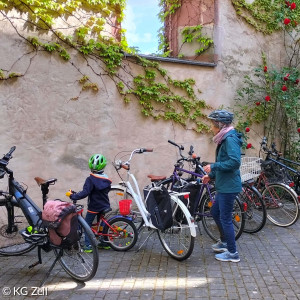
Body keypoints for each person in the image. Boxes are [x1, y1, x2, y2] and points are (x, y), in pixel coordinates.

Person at [202, 109, 242, 263]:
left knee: (225, 217)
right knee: (215, 212)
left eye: (213, 124)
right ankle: (225, 242)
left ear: (220, 124)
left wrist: (213, 166)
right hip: (223, 184)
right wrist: (210, 175)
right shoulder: (224, 138)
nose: (212, 127)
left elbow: (234, 162)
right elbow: (226, 162)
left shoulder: (230, 139)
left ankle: (232, 253)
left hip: (228, 187)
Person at [66, 154, 112, 252]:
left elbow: (85, 193)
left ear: (91, 166)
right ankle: (104, 242)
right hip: (104, 205)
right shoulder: (106, 179)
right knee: (102, 223)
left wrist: (73, 196)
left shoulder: (90, 179)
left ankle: (88, 245)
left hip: (94, 207)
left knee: (87, 224)